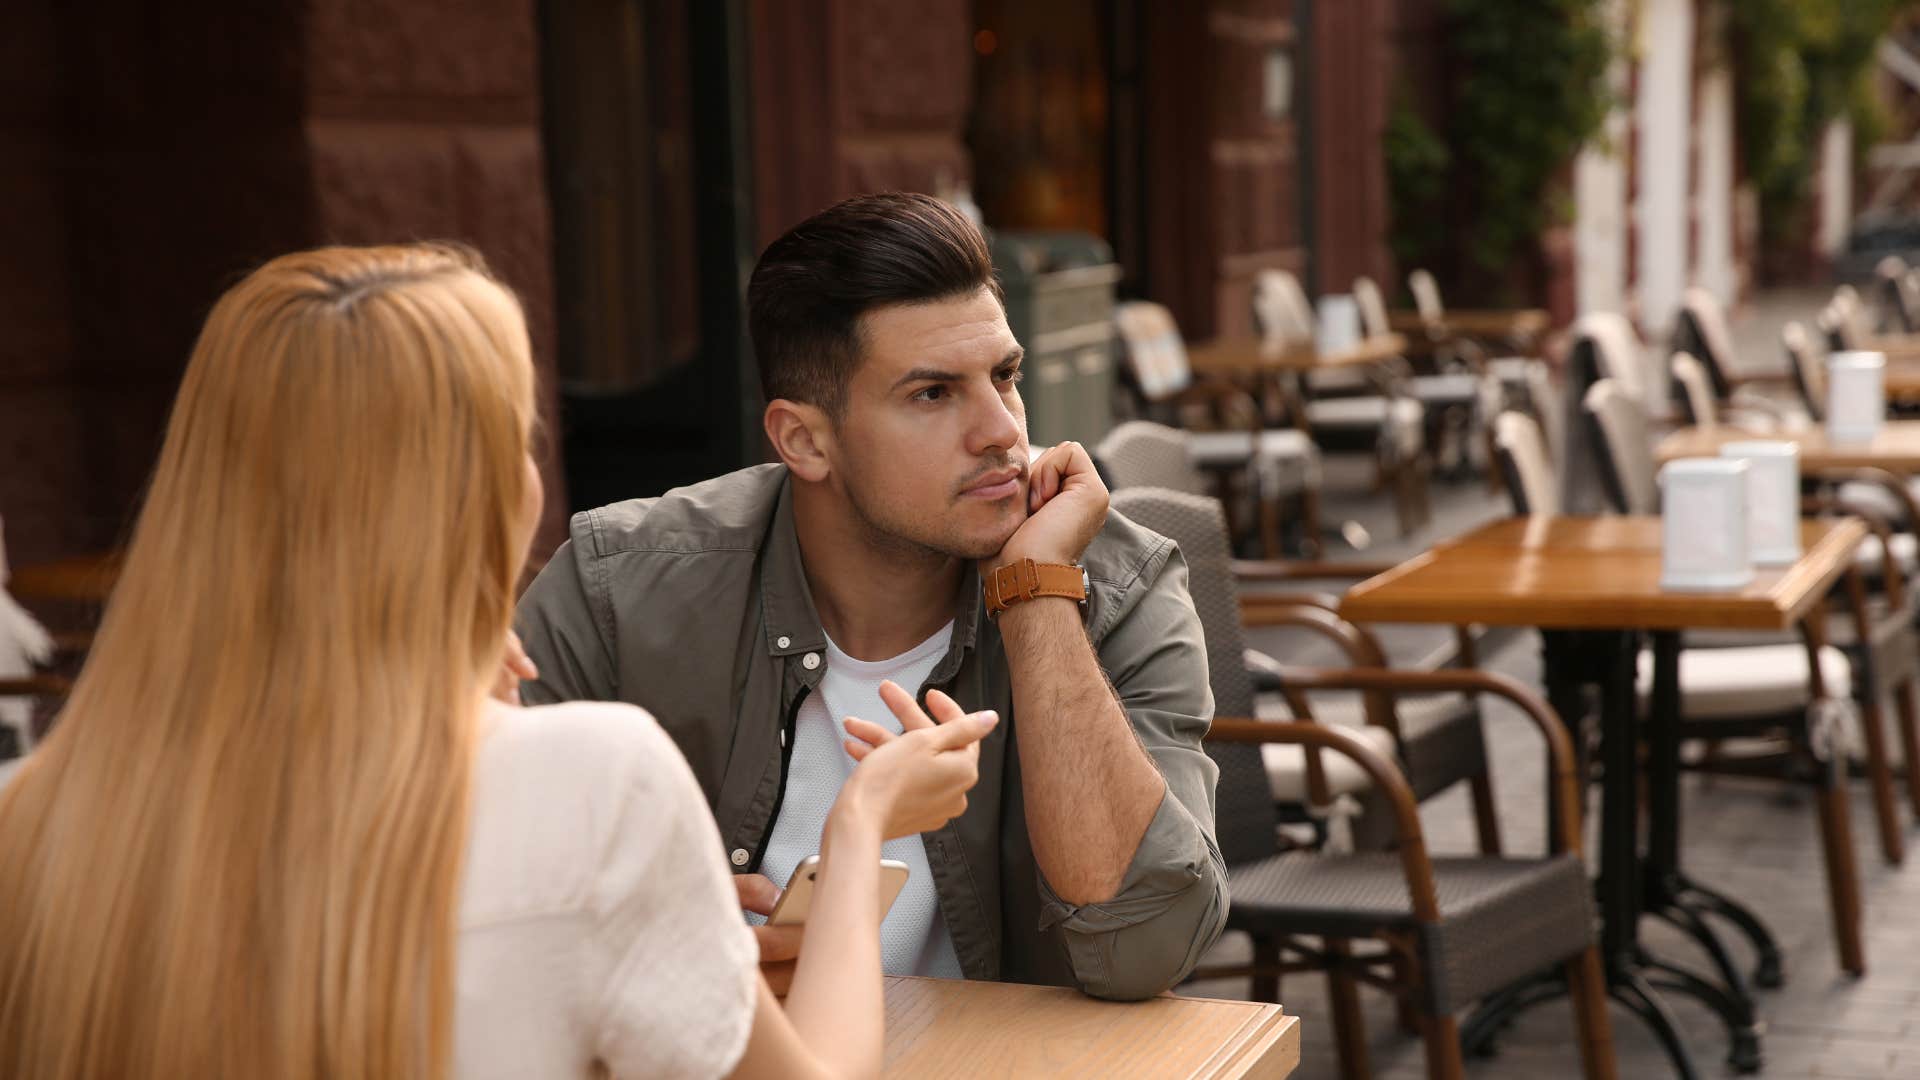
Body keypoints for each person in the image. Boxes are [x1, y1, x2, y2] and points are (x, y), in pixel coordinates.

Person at [0, 243, 993, 1079]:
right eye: (517, 434)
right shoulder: (592, 781)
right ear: (472, 495)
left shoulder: (38, 818)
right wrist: (862, 828)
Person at [515, 192, 1227, 1001]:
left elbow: (1146, 950)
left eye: (1005, 376)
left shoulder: (1112, 583)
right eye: (933, 394)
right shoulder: (618, 588)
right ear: (804, 441)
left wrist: (1034, 596)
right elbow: (466, 895)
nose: (1001, 430)